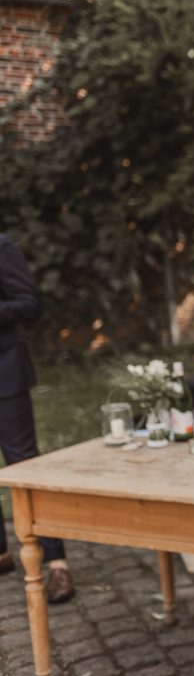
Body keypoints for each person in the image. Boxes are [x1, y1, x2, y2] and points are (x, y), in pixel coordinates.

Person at [0, 234, 75, 604]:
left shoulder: (2, 246)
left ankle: (57, 563)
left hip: (5, 373)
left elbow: (29, 305)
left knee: (24, 465)